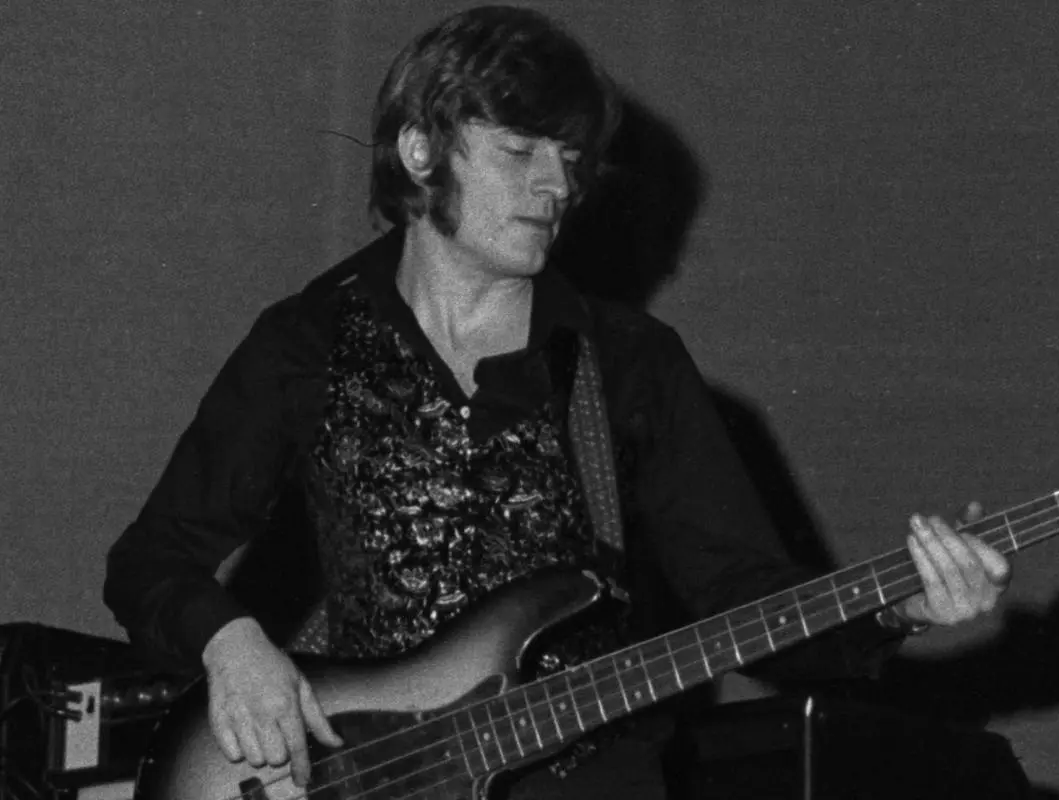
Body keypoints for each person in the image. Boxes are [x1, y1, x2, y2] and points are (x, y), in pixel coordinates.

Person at [103, 5, 1010, 799]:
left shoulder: (627, 363)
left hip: (589, 775)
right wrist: (232, 647)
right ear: (421, 151)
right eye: (519, 151)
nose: (557, 185)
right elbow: (150, 561)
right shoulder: (305, 343)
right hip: (357, 774)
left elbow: (747, 595)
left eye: (570, 158)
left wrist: (898, 609)